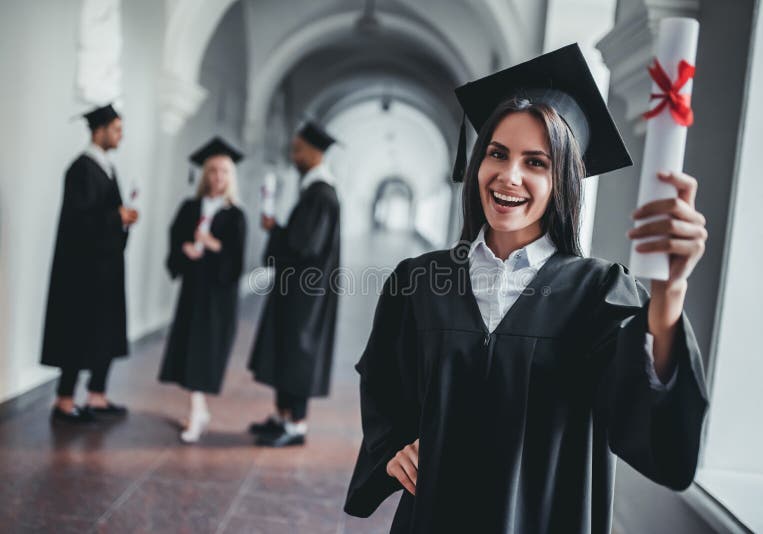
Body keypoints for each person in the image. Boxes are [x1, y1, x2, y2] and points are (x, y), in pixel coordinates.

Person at [344, 44, 709, 533]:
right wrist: (391, 449)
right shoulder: (418, 281)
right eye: (497, 153)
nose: (508, 175)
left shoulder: (600, 292)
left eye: (536, 162)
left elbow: (644, 415)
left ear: (565, 181)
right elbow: (386, 385)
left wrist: (669, 294)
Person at [41, 104, 138, 424]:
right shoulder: (81, 169)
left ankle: (97, 395)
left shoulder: (107, 168)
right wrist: (116, 217)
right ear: (99, 130)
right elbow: (78, 220)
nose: (121, 136)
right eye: (116, 129)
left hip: (106, 268)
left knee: (104, 331)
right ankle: (65, 401)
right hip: (82, 271)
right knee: (77, 332)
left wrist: (123, 221)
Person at [248, 121, 341, 447]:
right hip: (297, 287)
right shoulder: (313, 191)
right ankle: (282, 416)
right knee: (286, 349)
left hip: (307, 293)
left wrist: (275, 231)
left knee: (299, 351)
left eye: (298, 149)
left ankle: (296, 424)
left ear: (316, 153)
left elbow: (305, 246)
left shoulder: (322, 194)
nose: (294, 155)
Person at [158, 137, 247, 443]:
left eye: (223, 172)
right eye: (212, 171)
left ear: (230, 177)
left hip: (217, 298)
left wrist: (213, 245)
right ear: (205, 174)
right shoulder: (190, 207)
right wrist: (185, 248)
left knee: (203, 353)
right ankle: (198, 409)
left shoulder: (235, 215)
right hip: (193, 291)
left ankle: (197, 413)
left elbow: (236, 260)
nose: (217, 177)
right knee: (188, 350)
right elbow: (176, 238)